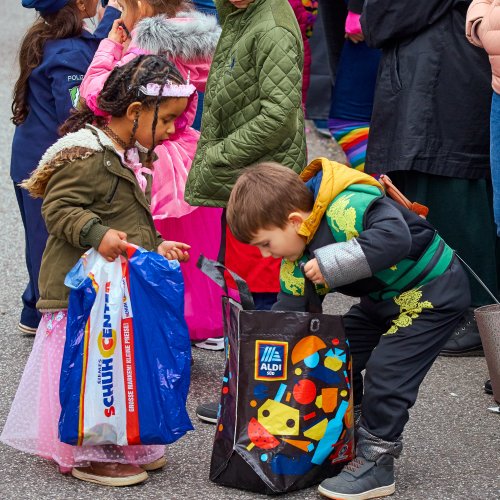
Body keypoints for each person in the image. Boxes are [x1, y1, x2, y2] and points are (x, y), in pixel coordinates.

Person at [226, 159, 470, 500]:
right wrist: (246, 396)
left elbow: (395, 236)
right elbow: (286, 327)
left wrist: (330, 263)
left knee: (387, 371)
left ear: (295, 221)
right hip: (382, 301)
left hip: (431, 294)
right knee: (335, 355)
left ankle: (377, 460)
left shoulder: (347, 205)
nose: (266, 255)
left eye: (266, 243)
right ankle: (348, 432)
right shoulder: (295, 262)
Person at [1, 55, 191, 487]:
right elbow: (57, 208)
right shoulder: (88, 155)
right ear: (135, 112)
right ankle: (88, 451)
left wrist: (154, 244)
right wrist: (96, 232)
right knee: (91, 373)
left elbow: (127, 216)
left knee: (113, 370)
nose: (170, 131)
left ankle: (115, 440)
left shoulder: (126, 152)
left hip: (110, 292)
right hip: (81, 293)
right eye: (167, 121)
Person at [183, 0, 307, 423]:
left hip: (263, 189)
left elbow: (279, 115)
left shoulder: (270, 25)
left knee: (266, 303)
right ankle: (249, 396)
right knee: (247, 297)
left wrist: (218, 154)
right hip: (247, 181)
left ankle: (257, 402)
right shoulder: (241, 13)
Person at [79, 0, 224, 342]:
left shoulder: (145, 46)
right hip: (187, 152)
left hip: (149, 159)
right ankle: (199, 320)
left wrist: (111, 45)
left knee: (148, 241)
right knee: (193, 245)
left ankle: (152, 326)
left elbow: (98, 96)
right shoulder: (195, 35)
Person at [360, 0, 499, 356]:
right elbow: (376, 22)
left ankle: (476, 314)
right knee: (424, 200)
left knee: (456, 199)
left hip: (453, 84)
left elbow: (379, 21)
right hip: (422, 85)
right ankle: (439, 308)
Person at [11, 0, 120, 335]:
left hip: (30, 158)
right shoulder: (69, 52)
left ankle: (32, 310)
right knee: (51, 242)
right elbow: (76, 110)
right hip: (47, 166)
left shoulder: (48, 36)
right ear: (79, 3)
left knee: (39, 239)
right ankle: (48, 315)